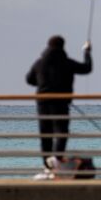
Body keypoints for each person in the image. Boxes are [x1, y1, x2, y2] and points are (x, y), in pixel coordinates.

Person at [26, 35, 92, 177]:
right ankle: (56, 160)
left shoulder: (40, 63)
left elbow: (29, 79)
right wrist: (87, 52)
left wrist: (43, 83)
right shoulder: (66, 62)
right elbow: (86, 68)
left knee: (45, 135)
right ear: (63, 46)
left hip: (43, 102)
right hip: (61, 102)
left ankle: (47, 166)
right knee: (61, 132)